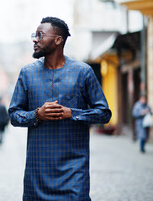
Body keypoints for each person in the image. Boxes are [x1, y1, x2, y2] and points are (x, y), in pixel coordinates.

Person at [8, 16, 112, 201]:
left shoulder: (83, 72)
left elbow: (103, 114)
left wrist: (72, 113)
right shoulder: (27, 73)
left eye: (40, 35)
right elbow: (14, 116)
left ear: (58, 40)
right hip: (37, 171)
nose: (35, 39)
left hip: (74, 169)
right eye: (35, 35)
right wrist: (37, 114)